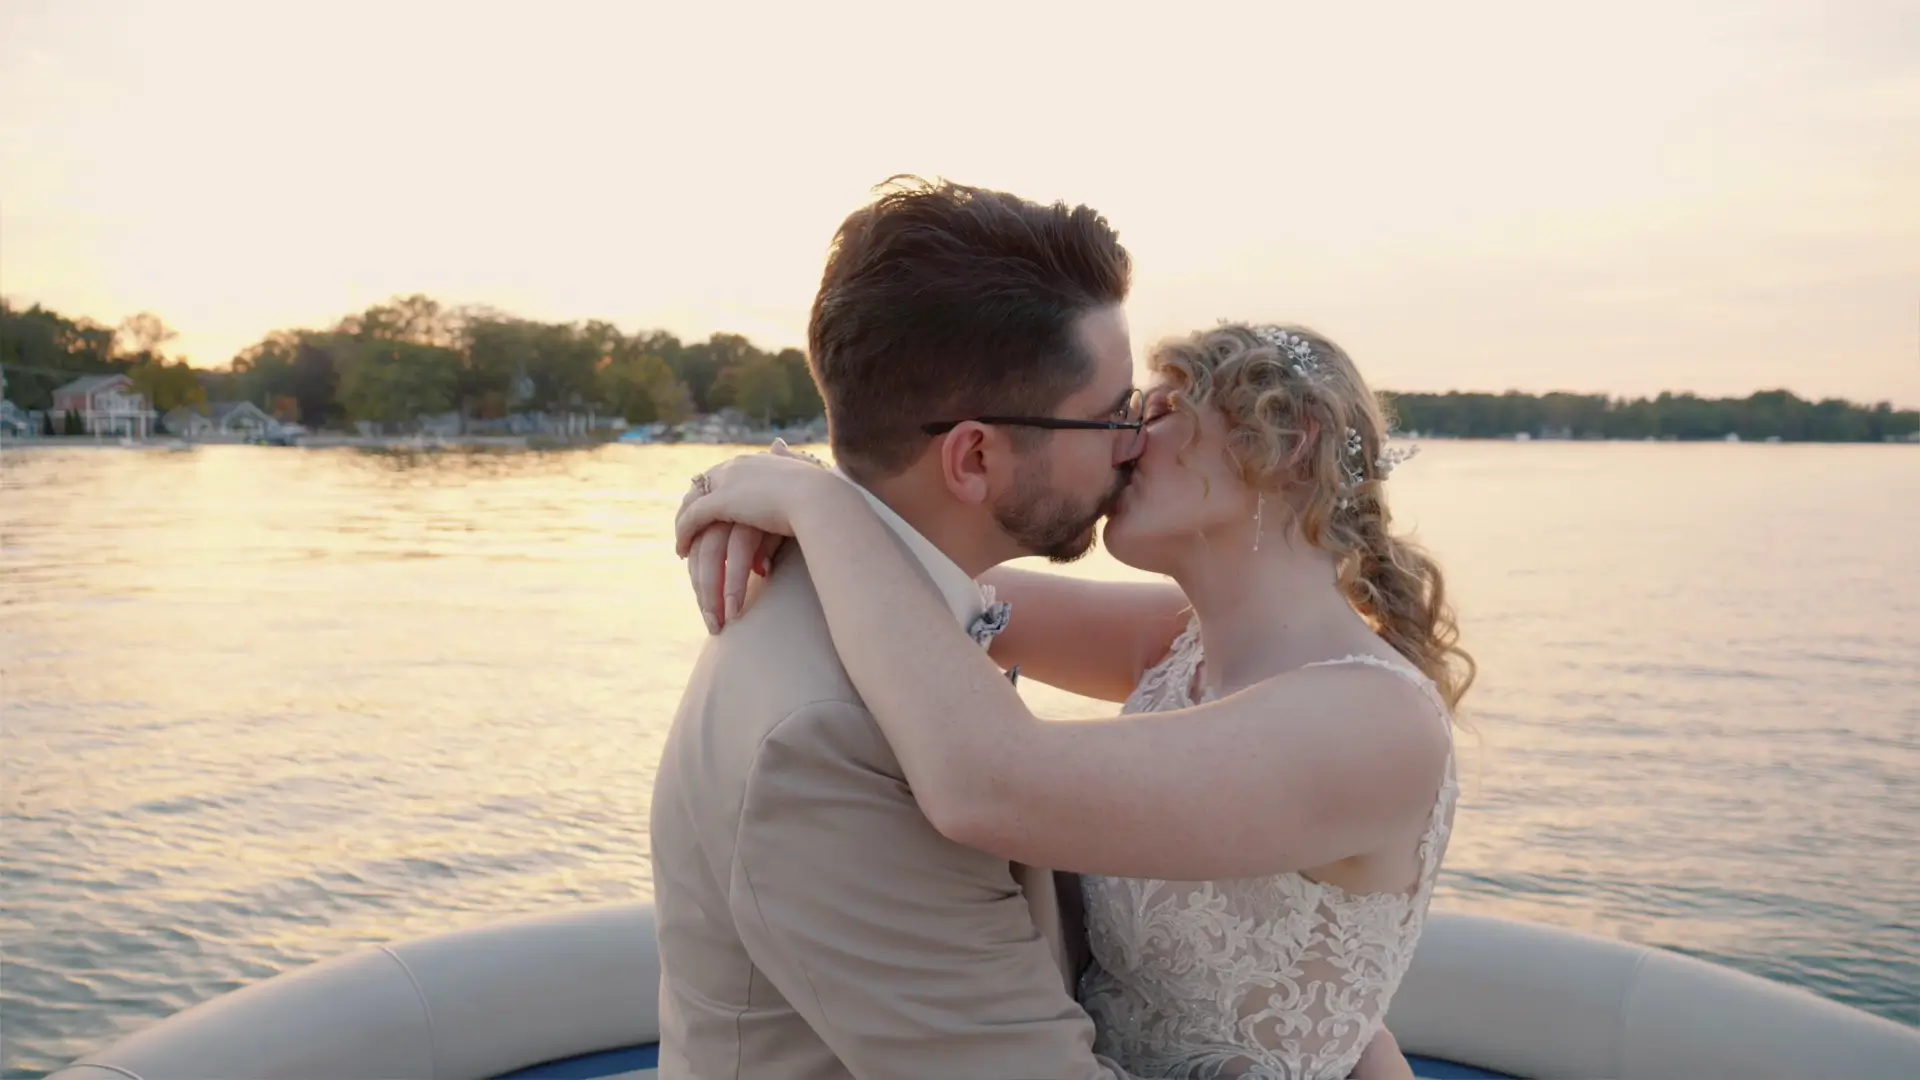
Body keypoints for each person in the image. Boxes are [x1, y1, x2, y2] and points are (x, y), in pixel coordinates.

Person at [675, 321, 1473, 1079]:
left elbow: (987, 782)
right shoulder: (1173, 643)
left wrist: (818, 505)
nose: (1122, 442)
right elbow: (920, 579)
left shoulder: (1375, 723)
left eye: (1158, 412)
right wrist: (761, 490)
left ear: (1288, 443)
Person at [649, 175, 1148, 1079]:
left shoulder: (896, 597)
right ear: (974, 456)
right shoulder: (826, 737)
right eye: (1113, 415)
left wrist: (810, 495)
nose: (1134, 443)